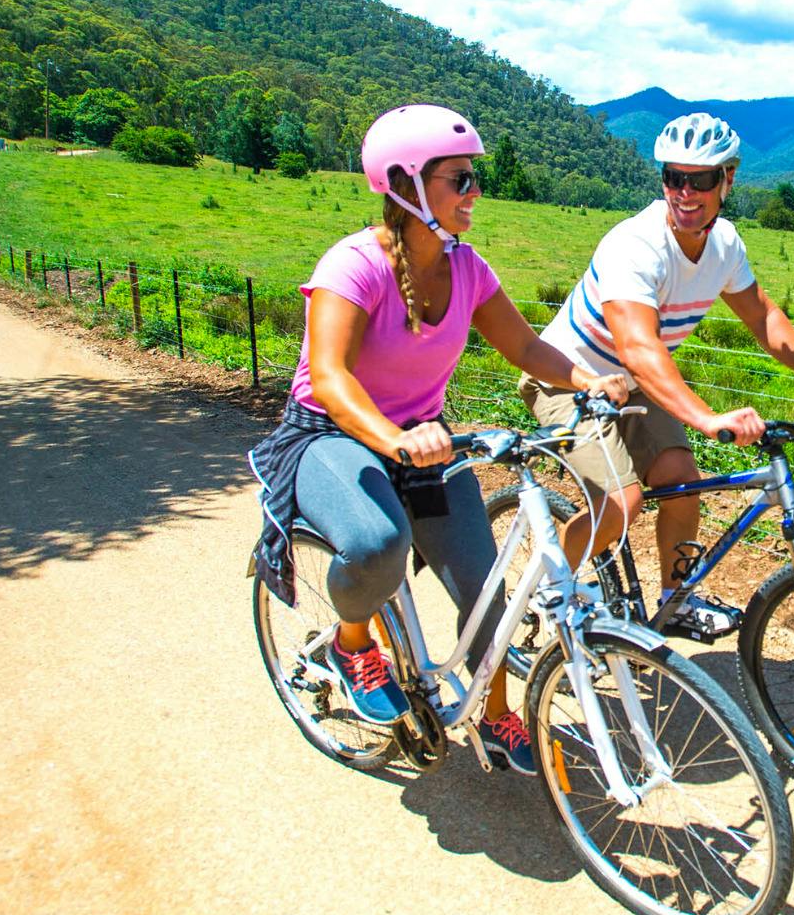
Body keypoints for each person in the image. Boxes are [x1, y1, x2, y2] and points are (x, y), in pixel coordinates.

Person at [250, 104, 626, 775]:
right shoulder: (353, 266)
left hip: (422, 444)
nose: (475, 192)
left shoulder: (468, 269)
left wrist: (591, 382)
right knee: (375, 542)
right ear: (406, 183)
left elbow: (525, 347)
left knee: (487, 591)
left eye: (473, 177)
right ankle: (352, 642)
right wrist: (393, 440)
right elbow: (331, 380)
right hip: (330, 436)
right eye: (460, 179)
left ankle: (495, 714)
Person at [519, 112, 794, 639]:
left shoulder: (724, 246)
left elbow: (763, 316)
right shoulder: (636, 243)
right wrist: (705, 417)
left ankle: (676, 603)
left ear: (728, 179)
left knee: (680, 482)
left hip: (633, 382)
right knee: (621, 503)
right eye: (674, 177)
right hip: (567, 377)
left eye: (700, 179)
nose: (685, 191)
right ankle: (540, 587)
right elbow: (639, 345)